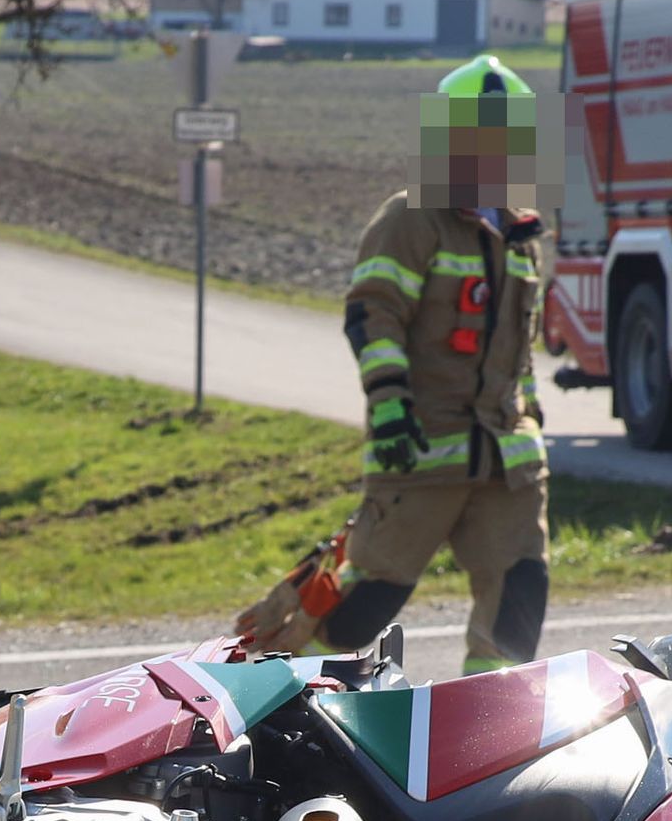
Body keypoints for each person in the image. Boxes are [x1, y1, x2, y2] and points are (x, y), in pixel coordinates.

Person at [234, 55, 553, 672]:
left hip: (506, 462)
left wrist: (531, 420)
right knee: (360, 605)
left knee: (519, 593)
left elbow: (519, 350)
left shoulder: (523, 235)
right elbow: (372, 316)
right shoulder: (411, 217)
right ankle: (276, 698)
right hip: (421, 448)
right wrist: (391, 408)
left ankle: (488, 731)